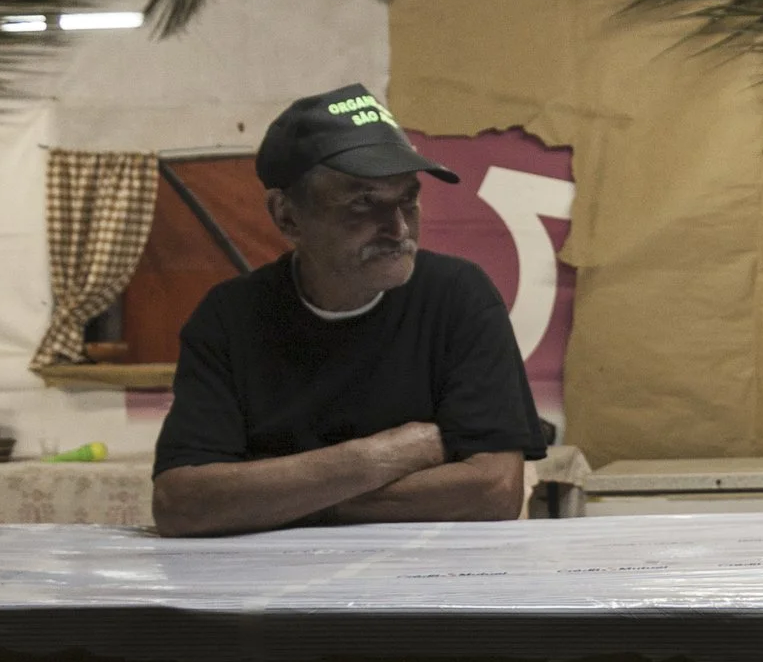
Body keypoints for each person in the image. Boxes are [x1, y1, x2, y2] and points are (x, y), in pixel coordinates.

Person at [151, 84, 546, 537]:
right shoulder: (228, 318)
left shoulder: (458, 296)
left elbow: (493, 491)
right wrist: (380, 457)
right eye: (363, 202)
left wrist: (279, 497)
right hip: (278, 578)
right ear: (287, 217)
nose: (398, 228)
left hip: (428, 575)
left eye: (408, 199)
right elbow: (181, 505)